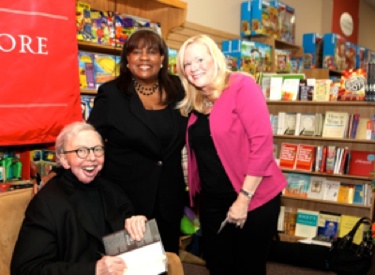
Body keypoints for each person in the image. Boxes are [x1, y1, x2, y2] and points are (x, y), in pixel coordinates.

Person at [176, 34, 288, 275]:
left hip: (253, 197)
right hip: (212, 202)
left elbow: (262, 144)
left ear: (214, 58)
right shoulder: (197, 102)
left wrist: (243, 199)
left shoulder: (241, 86)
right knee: (218, 266)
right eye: (187, 64)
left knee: (248, 268)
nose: (194, 68)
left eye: (199, 59)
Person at [87, 28, 188, 254]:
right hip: (126, 199)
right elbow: (88, 136)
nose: (144, 57)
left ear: (162, 58)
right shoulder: (111, 93)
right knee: (130, 264)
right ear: (127, 59)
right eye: (136, 52)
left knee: (167, 258)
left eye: (152, 51)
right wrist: (60, 169)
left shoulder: (179, 89)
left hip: (168, 196)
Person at [12, 122, 147, 275]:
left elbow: (129, 249)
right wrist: (94, 270)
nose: (92, 158)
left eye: (97, 150)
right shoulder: (47, 202)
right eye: (81, 151)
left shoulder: (112, 191)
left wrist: (138, 228)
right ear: (63, 160)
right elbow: (25, 269)